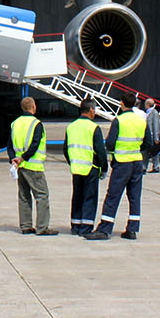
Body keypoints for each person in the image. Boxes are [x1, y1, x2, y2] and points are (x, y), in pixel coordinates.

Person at [86, 97, 149, 241]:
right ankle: (132, 229)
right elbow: (148, 142)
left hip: (122, 163)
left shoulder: (119, 121)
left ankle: (105, 229)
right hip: (137, 162)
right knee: (134, 197)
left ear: (122, 103)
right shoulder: (141, 121)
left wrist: (118, 151)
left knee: (113, 196)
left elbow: (110, 143)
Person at [7, 97, 55, 235]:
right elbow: (35, 144)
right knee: (42, 195)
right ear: (33, 107)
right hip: (33, 166)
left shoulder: (15, 123)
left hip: (20, 167)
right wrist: (24, 158)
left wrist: (13, 159)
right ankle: (42, 227)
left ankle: (26, 226)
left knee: (24, 196)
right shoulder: (36, 124)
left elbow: (9, 145)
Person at [62, 99, 109, 235]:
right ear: (91, 110)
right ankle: (86, 227)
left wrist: (72, 162)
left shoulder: (71, 126)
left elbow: (65, 149)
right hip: (90, 167)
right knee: (89, 197)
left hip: (76, 168)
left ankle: (75, 225)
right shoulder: (93, 127)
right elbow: (100, 151)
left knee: (77, 196)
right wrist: (104, 167)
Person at [143, 97, 160, 174]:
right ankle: (144, 167)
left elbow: (155, 125)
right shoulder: (147, 112)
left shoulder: (154, 113)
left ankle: (155, 167)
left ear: (148, 104)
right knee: (146, 152)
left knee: (154, 152)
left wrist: (156, 138)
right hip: (148, 136)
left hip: (152, 136)